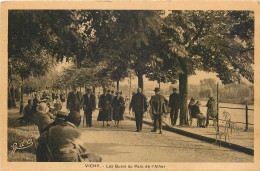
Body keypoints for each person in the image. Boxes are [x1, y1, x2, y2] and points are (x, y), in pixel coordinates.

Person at [36, 111, 102, 162]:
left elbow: (40, 142)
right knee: (96, 157)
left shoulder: (52, 129)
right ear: (78, 123)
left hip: (52, 158)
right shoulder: (76, 133)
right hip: (70, 161)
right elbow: (82, 151)